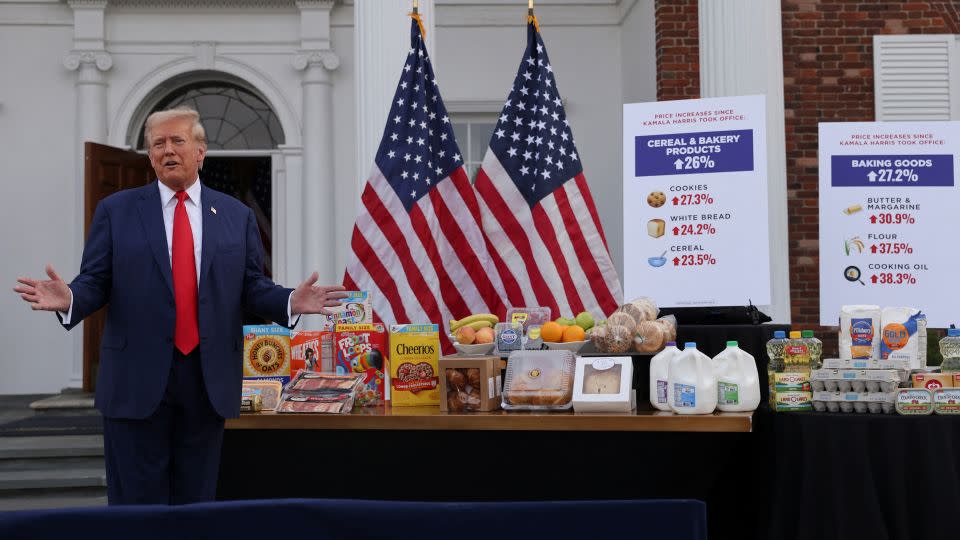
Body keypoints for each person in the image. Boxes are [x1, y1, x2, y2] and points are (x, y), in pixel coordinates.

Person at [12, 106, 347, 505]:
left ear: (201, 151)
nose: (167, 150)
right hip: (135, 383)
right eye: (158, 143)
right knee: (137, 508)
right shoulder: (116, 211)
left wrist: (291, 299)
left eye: (177, 141)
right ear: (150, 155)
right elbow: (95, 281)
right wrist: (69, 298)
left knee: (197, 505)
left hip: (206, 382)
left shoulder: (236, 216)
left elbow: (252, 287)